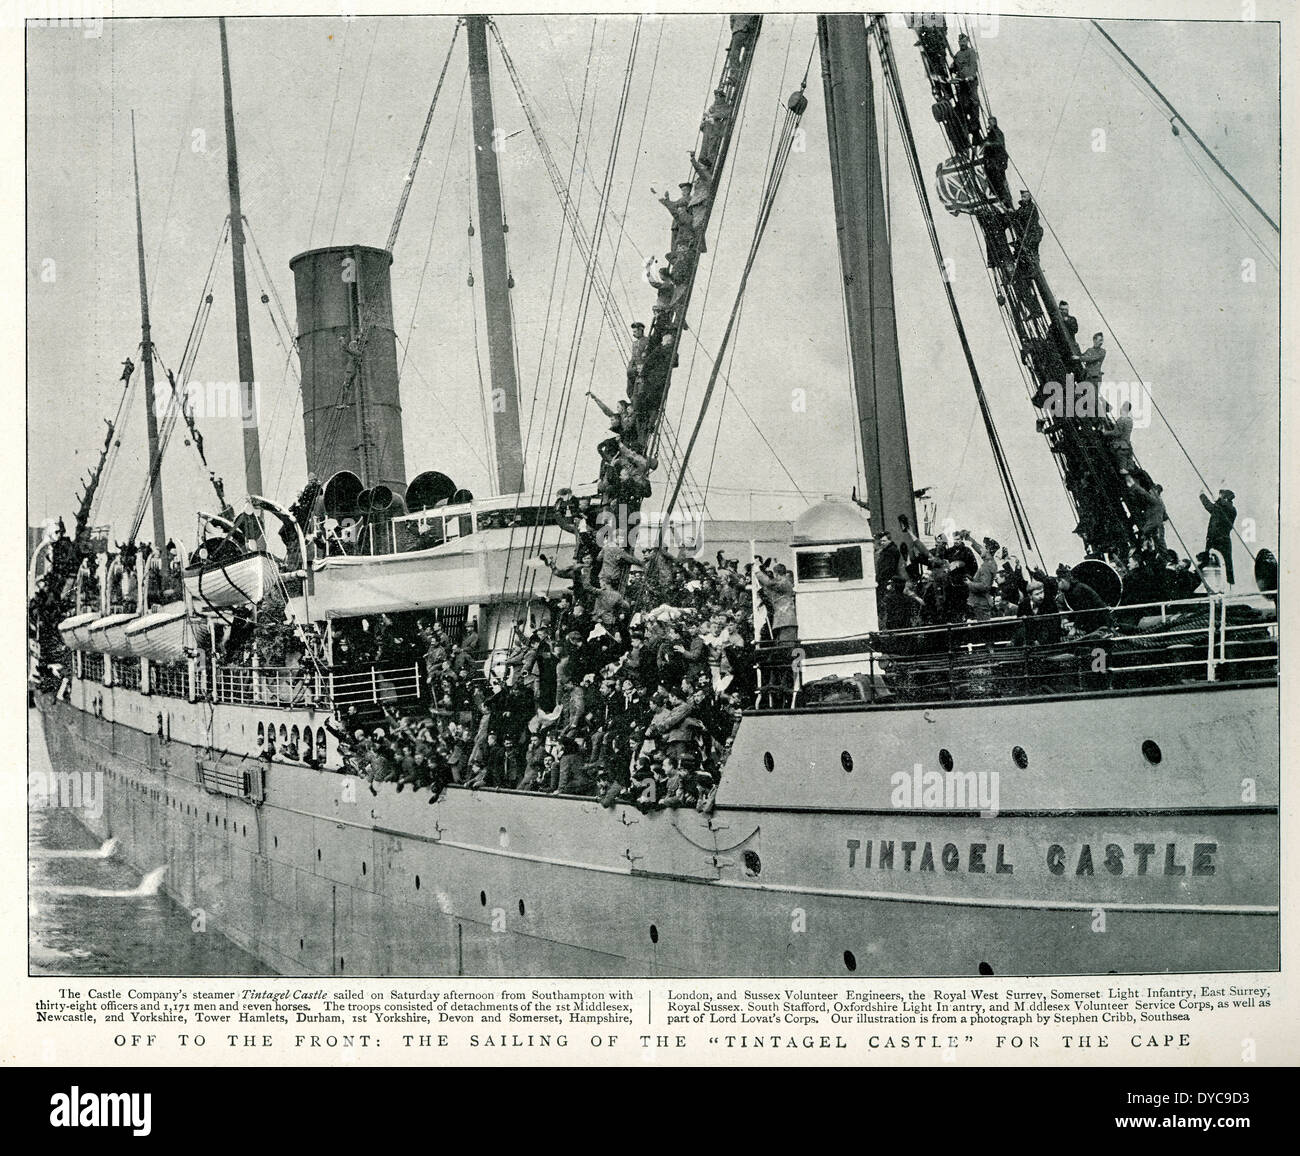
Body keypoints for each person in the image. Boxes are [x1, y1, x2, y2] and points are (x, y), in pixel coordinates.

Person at [1200, 488, 1237, 585]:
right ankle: (1227, 584)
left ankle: (1225, 584)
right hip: (1221, 538)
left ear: (1225, 498)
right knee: (1225, 562)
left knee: (1212, 561)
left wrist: (1203, 496)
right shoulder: (1226, 508)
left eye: (1221, 496)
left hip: (1217, 539)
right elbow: (1211, 507)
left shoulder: (1226, 508)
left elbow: (1212, 506)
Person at [755, 560, 797, 642]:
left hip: (786, 620)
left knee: (786, 646)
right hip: (783, 620)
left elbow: (768, 583)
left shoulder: (784, 582)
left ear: (776, 574)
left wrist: (757, 571)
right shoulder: (784, 583)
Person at [1126, 475, 1167, 557]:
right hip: (1156, 525)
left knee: (1154, 540)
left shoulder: (1155, 501)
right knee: (1160, 543)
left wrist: (1133, 485)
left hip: (1152, 525)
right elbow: (1165, 516)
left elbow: (1144, 494)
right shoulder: (1159, 503)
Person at [951, 33, 981, 136]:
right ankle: (966, 128)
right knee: (963, 105)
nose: (962, 44)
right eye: (961, 42)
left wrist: (971, 76)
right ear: (958, 43)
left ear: (967, 41)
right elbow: (955, 67)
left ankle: (975, 127)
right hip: (961, 82)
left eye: (964, 42)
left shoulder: (971, 52)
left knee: (974, 103)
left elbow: (973, 65)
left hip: (971, 82)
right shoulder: (957, 54)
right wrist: (952, 70)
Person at [982, 117, 1012, 208]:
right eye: (989, 123)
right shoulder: (991, 133)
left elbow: (999, 143)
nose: (989, 124)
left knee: (999, 180)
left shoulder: (997, 132)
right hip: (993, 161)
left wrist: (989, 144)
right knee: (994, 180)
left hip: (998, 161)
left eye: (991, 123)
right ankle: (1001, 198)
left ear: (995, 123)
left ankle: (1004, 200)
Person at [1103, 400, 1135, 473]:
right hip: (1128, 446)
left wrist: (1105, 433)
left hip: (1120, 447)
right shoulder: (1130, 421)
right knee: (1130, 470)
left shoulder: (1121, 420)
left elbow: (1117, 433)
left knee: (1122, 470)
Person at [626, 321, 650, 397]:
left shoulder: (647, 341)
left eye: (635, 331)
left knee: (639, 391)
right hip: (634, 369)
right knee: (629, 390)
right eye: (633, 332)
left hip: (642, 369)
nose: (634, 333)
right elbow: (633, 358)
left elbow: (648, 355)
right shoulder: (634, 343)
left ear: (641, 330)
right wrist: (630, 367)